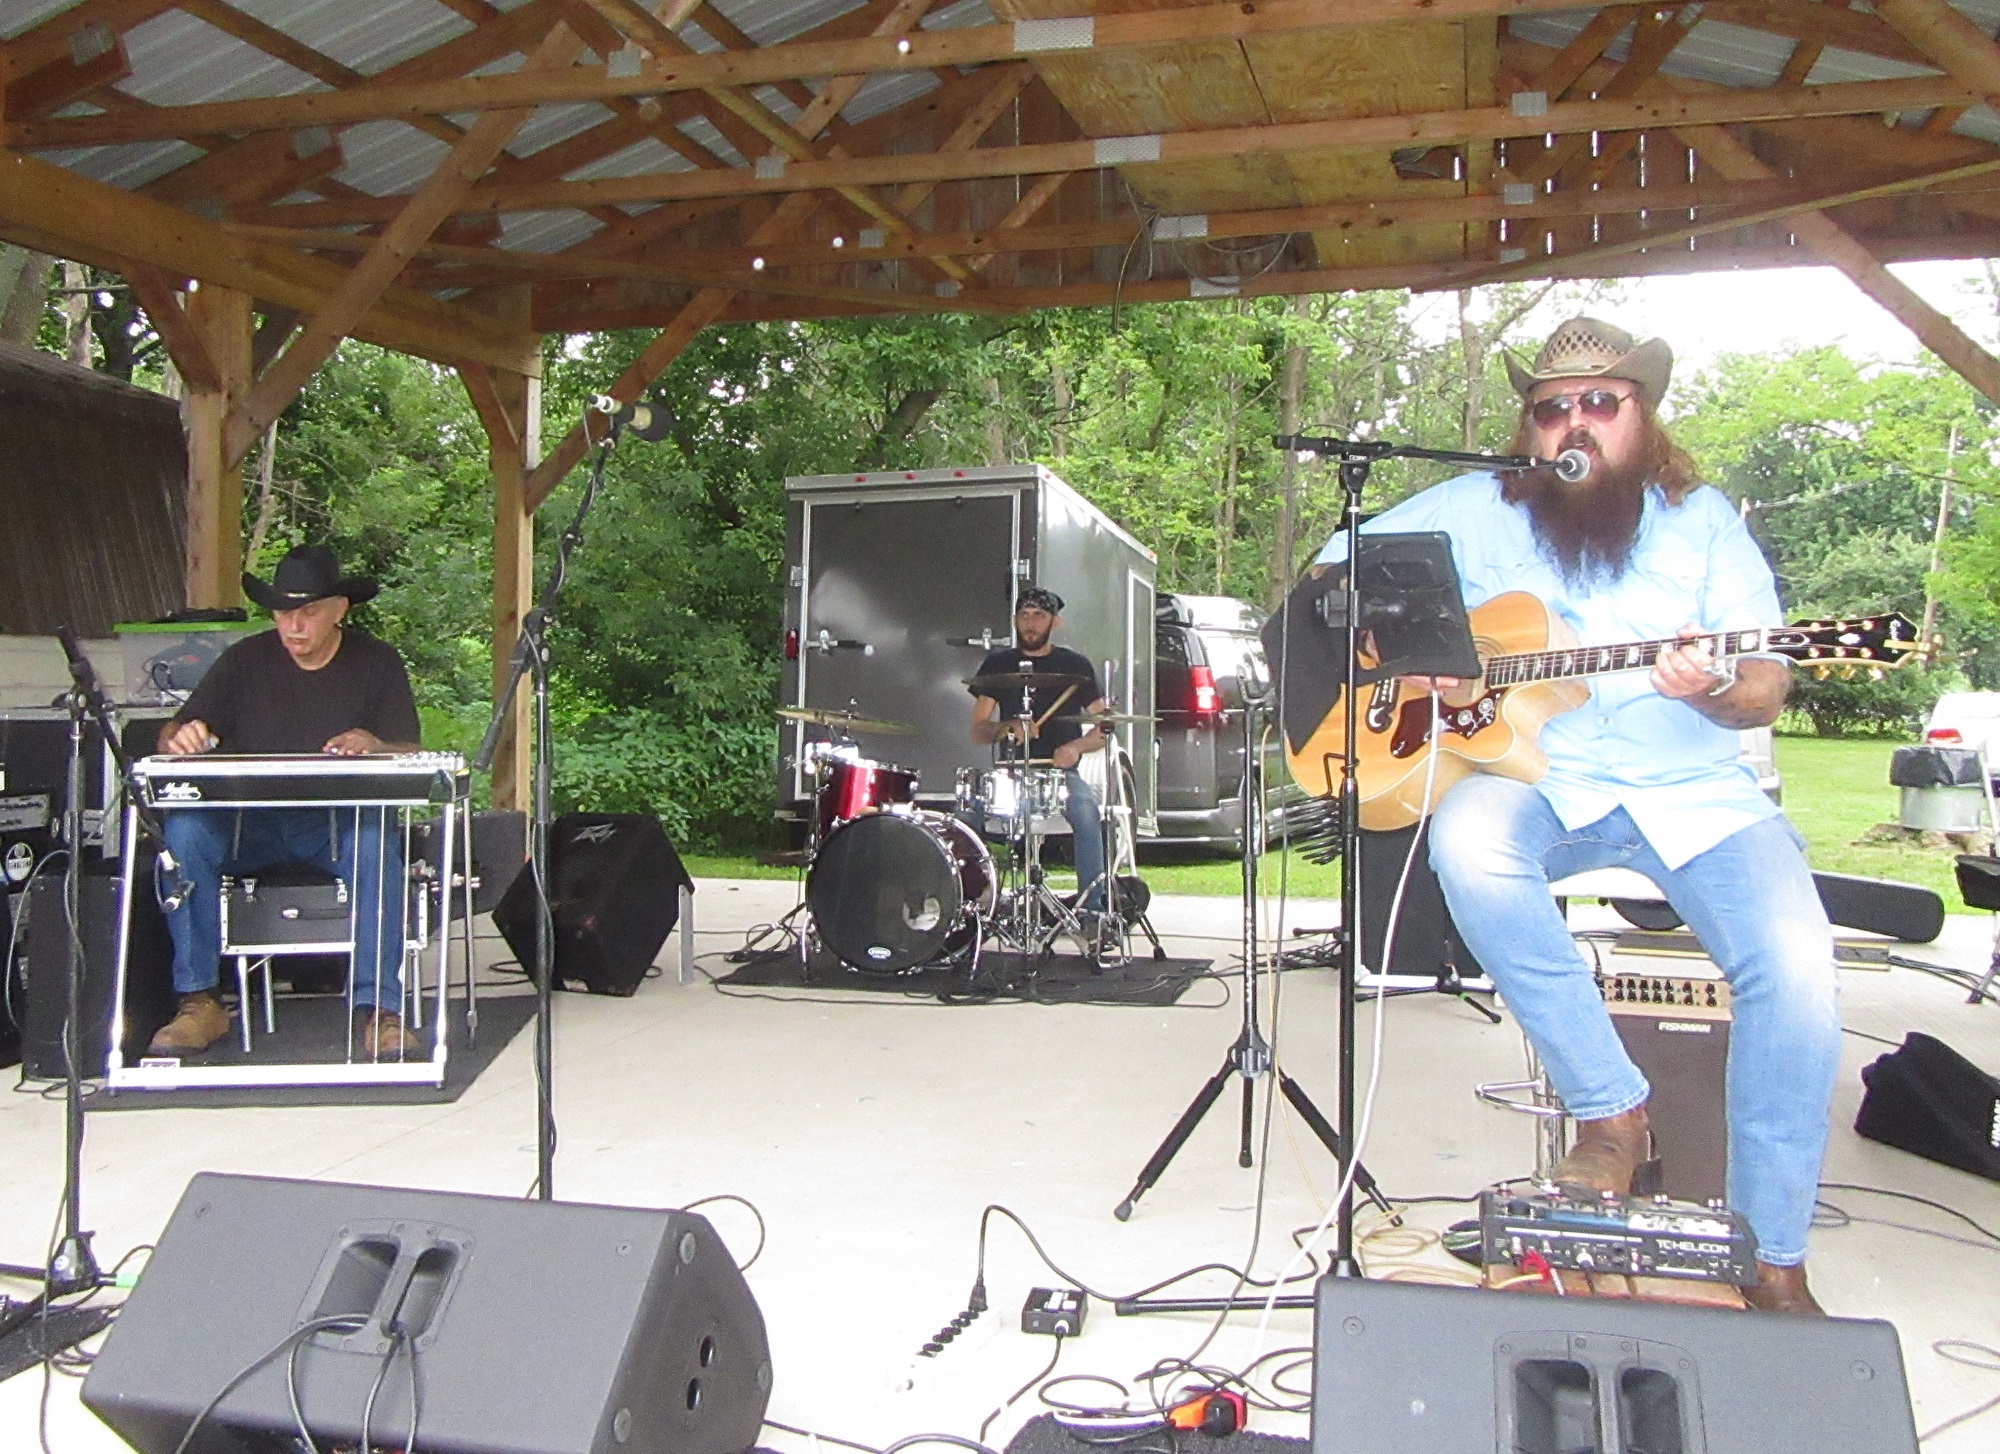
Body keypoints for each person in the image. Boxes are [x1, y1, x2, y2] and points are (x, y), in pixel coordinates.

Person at [1313, 317, 1838, 1314]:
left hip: (1691, 790)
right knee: (1468, 844)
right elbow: (1337, 567)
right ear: (1529, 427)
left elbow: (1765, 688)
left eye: (1600, 402)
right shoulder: (1476, 506)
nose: (1574, 423)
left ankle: (1772, 1257)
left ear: (1643, 416)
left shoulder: (1703, 523)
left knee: (1799, 973)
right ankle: (1612, 1111)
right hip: (1539, 772)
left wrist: (1710, 685)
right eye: (1552, 408)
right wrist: (1413, 651)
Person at [147, 544, 425, 1061]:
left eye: (308, 612)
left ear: (340, 609)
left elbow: (410, 749)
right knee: (184, 833)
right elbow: (173, 731)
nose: (293, 626)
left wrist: (375, 745)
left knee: (374, 840)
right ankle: (199, 1001)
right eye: (282, 612)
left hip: (334, 826)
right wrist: (180, 736)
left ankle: (379, 1010)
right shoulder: (243, 661)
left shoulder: (376, 662)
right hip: (247, 825)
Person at [966, 588, 1111, 915]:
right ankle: (976, 899)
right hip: (1009, 774)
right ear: (1015, 620)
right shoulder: (998, 665)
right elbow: (978, 730)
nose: (1030, 624)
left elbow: (1104, 727)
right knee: (965, 814)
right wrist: (1007, 727)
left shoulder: (1075, 666)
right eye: (1024, 616)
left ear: (1055, 622)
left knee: (1086, 812)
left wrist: (1075, 746)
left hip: (1059, 775)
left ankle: (1092, 909)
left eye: (1039, 616)